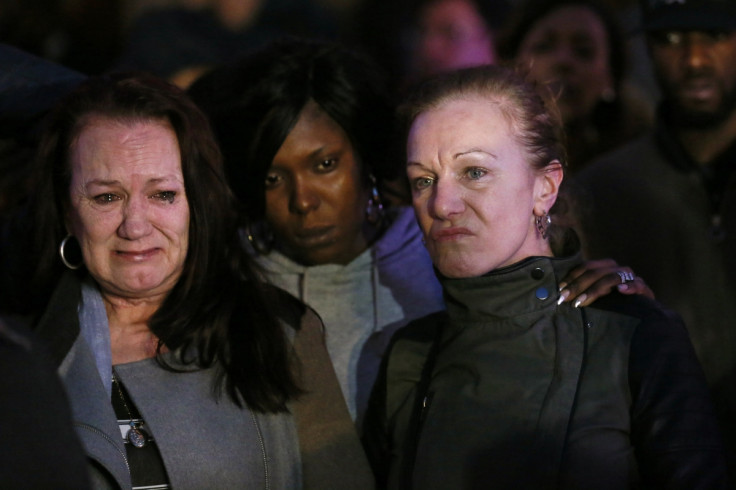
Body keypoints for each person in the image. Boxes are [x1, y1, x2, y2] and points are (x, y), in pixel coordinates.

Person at [188, 37, 657, 428]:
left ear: (368, 161)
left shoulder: (446, 251)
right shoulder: (234, 284)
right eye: (272, 178)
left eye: (325, 164)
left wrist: (608, 291)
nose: (302, 199)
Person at [362, 65, 728, 488]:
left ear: (545, 188)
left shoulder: (633, 335)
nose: (441, 204)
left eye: (474, 172)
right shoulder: (410, 355)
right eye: (423, 180)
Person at [25, 73, 372, 489]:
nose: (135, 226)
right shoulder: (25, 351)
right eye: (106, 197)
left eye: (163, 194)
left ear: (196, 202)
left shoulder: (278, 332)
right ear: (68, 211)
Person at [573, 0, 736, 471]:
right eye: (670, 39)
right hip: (667, 459)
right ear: (646, 47)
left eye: (716, 35)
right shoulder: (601, 191)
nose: (695, 59)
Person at [498, 0, 653, 173]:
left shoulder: (638, 170)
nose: (563, 61)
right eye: (544, 47)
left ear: (611, 77)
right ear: (511, 64)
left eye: (583, 51)